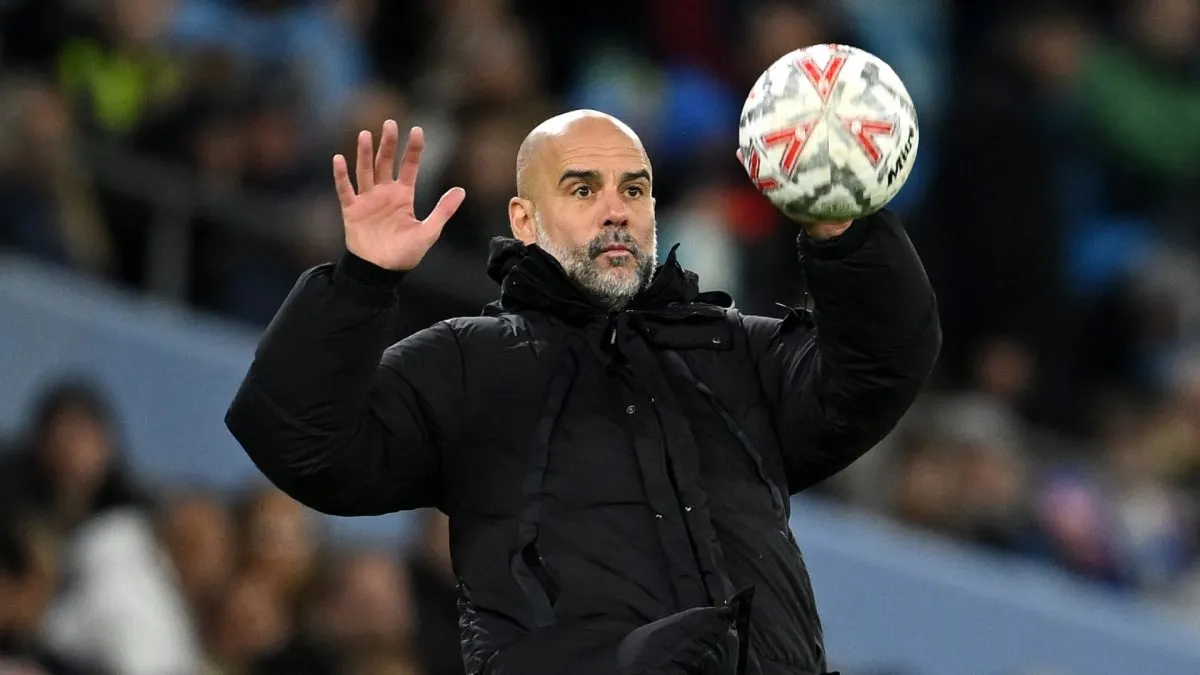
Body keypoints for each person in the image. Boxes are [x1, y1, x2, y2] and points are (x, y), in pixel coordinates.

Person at [226, 110, 941, 675]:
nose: (615, 209)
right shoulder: (467, 363)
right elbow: (302, 441)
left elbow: (878, 369)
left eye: (633, 188)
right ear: (524, 220)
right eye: (581, 188)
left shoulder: (736, 351)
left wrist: (844, 231)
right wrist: (360, 281)